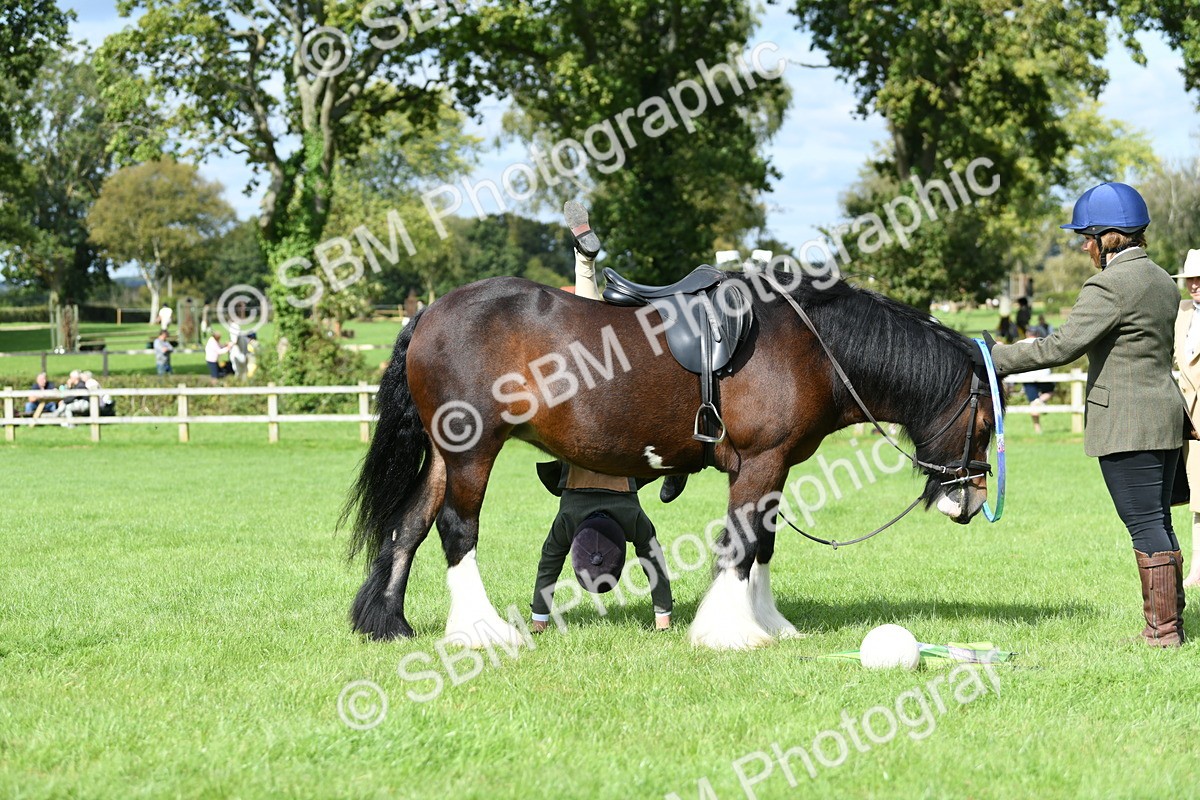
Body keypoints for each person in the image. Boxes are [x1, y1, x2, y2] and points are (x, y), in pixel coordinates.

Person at [986, 181, 1187, 646]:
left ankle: (1163, 633)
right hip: (1164, 414)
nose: (1082, 246)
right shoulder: (1161, 279)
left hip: (1128, 422)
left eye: (1086, 237)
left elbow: (1061, 347)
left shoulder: (1110, 284)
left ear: (1107, 237)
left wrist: (997, 357)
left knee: (1145, 524)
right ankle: (1169, 623)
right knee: (1158, 520)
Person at [530, 202, 673, 633]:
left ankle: (585, 264)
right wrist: (538, 617)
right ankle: (584, 264)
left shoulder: (633, 520)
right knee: (584, 339)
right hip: (590, 419)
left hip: (618, 419)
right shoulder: (567, 520)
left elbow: (654, 561)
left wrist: (663, 616)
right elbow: (548, 564)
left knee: (592, 339)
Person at [1173, 248, 1200, 588]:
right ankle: (1197, 569)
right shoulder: (1180, 313)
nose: (1195, 284)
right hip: (1191, 422)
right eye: (1191, 279)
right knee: (1199, 499)